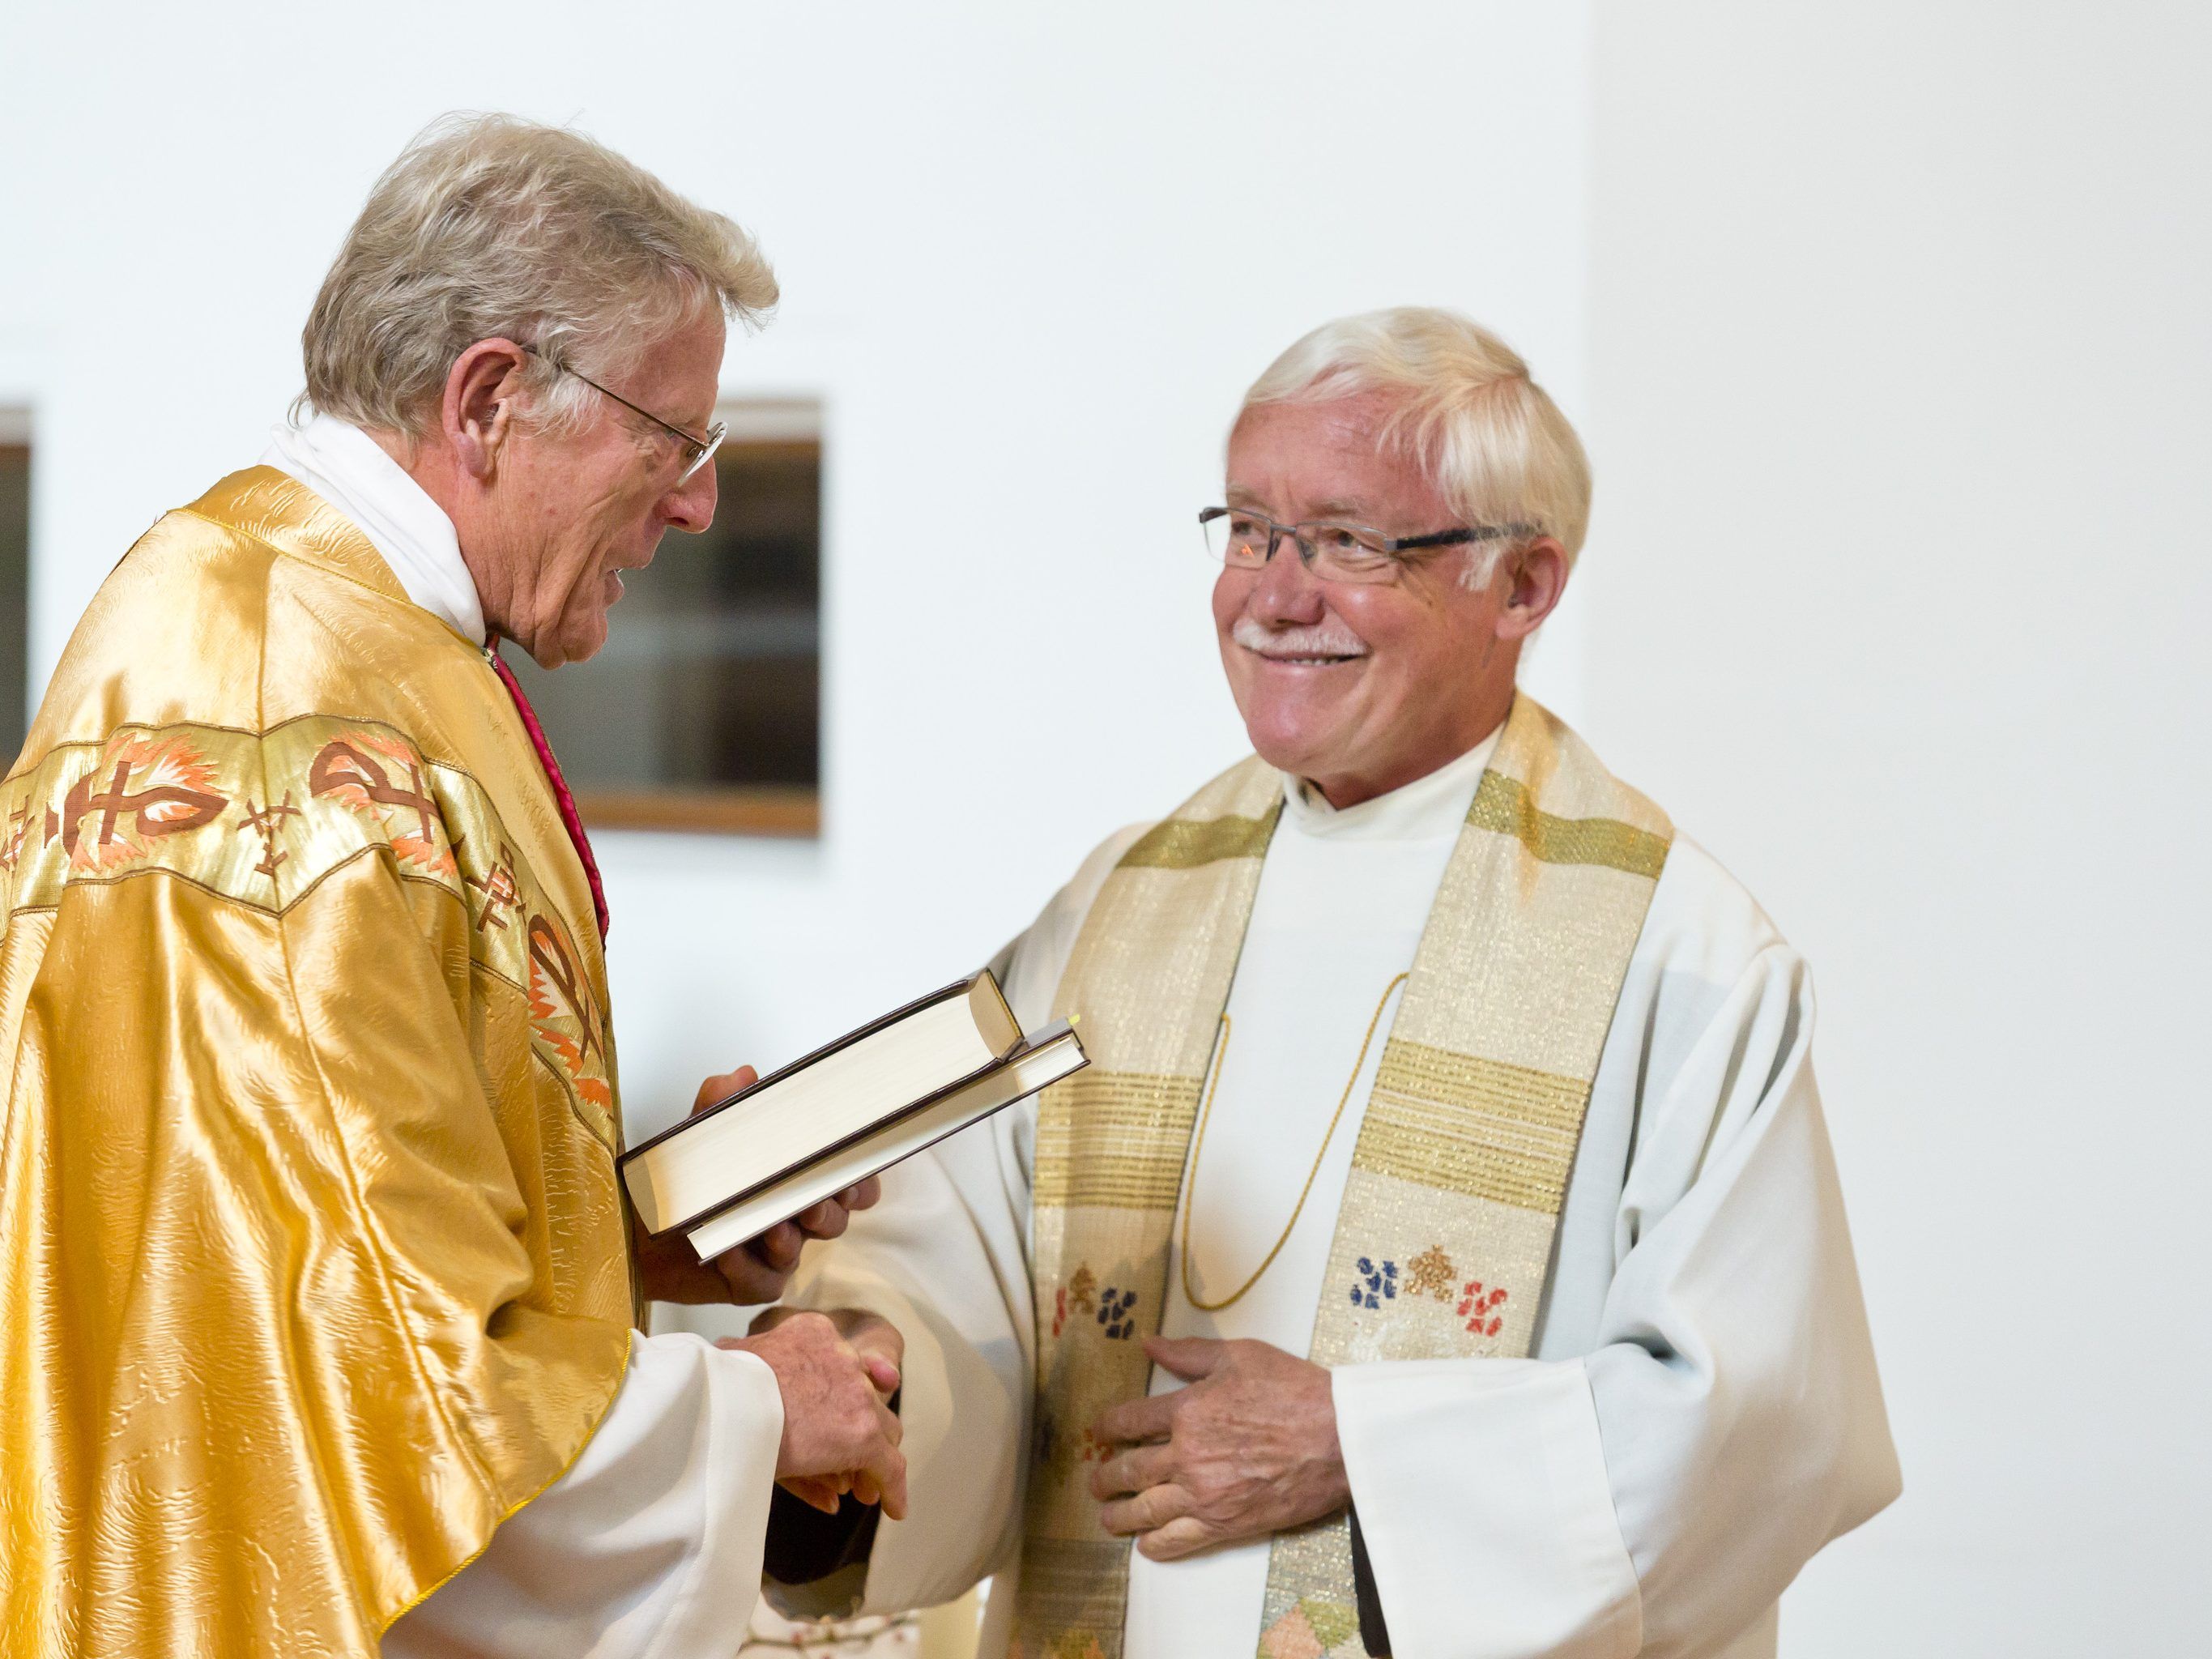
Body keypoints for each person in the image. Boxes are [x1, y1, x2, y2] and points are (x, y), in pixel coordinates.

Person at [767, 309, 1901, 1657]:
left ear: (1524, 585)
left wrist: (1366, 1449)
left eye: (1351, 542)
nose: (1275, 596)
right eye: (1249, 530)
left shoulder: (1678, 956)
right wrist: (865, 1380)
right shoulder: (1120, 909)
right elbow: (959, 1265)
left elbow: (1756, 1426)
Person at [0, 113, 903, 1659]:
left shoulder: (323, 628)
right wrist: (762, 1403)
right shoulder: (287, 718)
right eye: (670, 439)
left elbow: (276, 1240)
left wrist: (637, 1230)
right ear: (489, 399)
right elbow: (390, 1402)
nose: (695, 502)